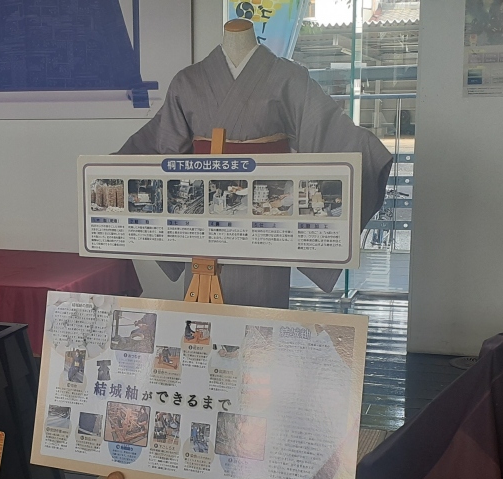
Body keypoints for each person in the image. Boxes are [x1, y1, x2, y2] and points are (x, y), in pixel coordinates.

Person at [117, 19, 394, 309]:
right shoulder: (187, 81)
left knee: (262, 309)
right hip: (203, 217)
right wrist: (110, 173)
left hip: (266, 215)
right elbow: (162, 151)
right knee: (203, 308)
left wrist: (369, 155)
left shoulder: (289, 77)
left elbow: (328, 133)